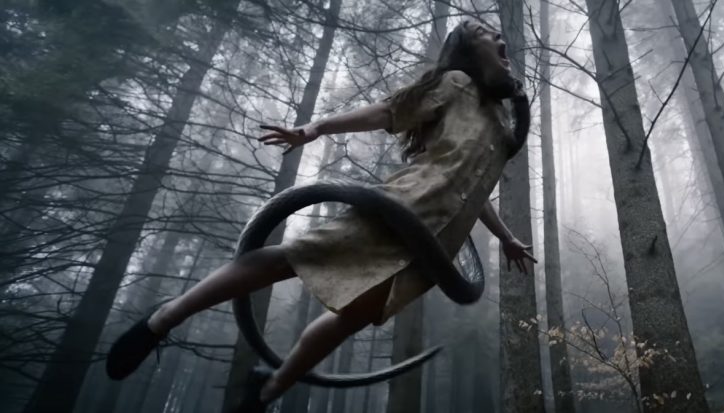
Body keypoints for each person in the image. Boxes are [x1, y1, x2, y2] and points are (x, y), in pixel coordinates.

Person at [105, 19, 536, 411]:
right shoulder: (457, 83)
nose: (498, 36)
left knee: (352, 318)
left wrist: (506, 237)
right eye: (485, 33)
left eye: (497, 32)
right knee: (291, 259)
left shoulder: (502, 123)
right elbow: (389, 111)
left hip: (437, 246)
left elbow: (473, 190)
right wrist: (317, 128)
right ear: (467, 50)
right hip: (406, 208)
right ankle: (164, 318)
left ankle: (268, 389)